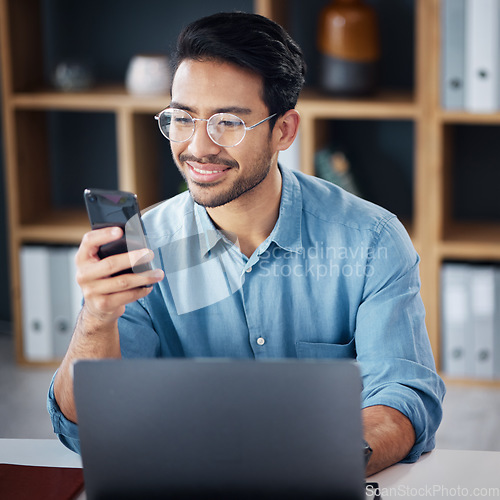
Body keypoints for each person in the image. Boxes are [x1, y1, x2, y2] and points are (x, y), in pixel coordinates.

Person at [47, 11, 445, 476]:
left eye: (228, 123)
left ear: (284, 131)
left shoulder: (372, 240)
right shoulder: (143, 249)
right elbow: (85, 429)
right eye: (182, 118)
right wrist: (97, 318)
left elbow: (403, 398)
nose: (198, 147)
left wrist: (314, 466)